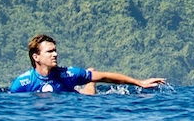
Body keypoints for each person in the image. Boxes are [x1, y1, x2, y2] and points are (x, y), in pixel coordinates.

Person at [9, 34, 167, 94]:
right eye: (50, 52)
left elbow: (105, 76)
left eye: (55, 50)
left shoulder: (68, 73)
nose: (55, 54)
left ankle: (88, 77)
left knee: (89, 92)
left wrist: (139, 82)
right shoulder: (22, 83)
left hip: (75, 96)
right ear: (36, 57)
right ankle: (88, 79)